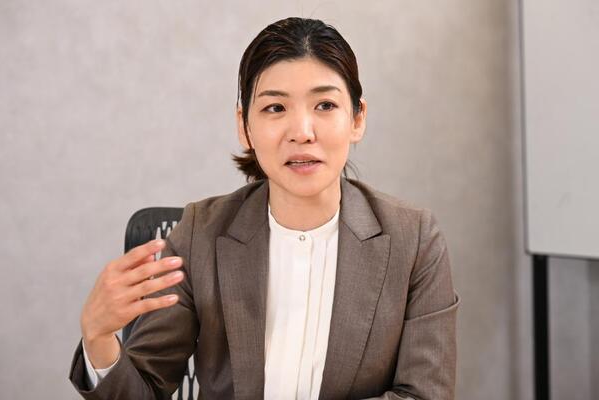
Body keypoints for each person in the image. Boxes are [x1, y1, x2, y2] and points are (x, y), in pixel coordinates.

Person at [69, 17, 459, 400]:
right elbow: (143, 392)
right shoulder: (199, 234)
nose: (302, 132)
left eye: (325, 105)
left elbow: (426, 394)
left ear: (357, 119)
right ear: (245, 127)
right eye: (275, 108)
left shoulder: (414, 240)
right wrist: (98, 338)